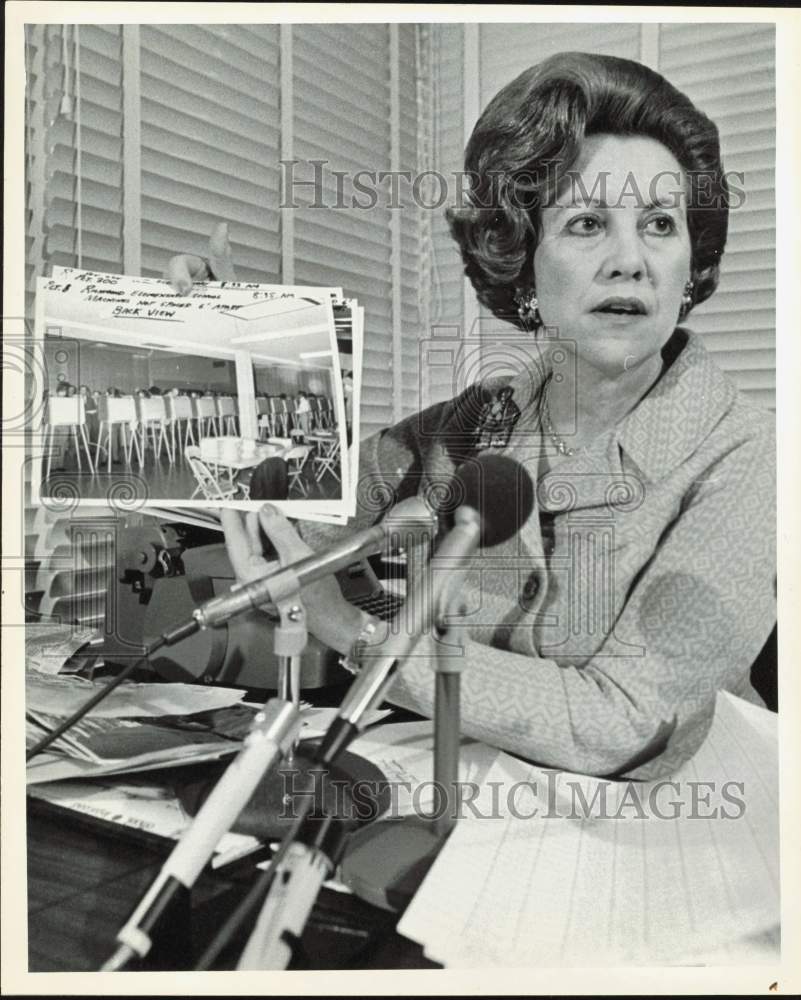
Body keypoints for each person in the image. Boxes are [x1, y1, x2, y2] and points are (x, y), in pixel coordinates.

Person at [168, 53, 775, 780]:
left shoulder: (748, 452)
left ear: (690, 265)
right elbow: (306, 497)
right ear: (522, 265)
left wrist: (348, 628)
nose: (629, 260)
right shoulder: (481, 419)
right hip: (471, 796)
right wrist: (235, 351)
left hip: (667, 837)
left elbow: (626, 722)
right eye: (586, 223)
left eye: (658, 223)